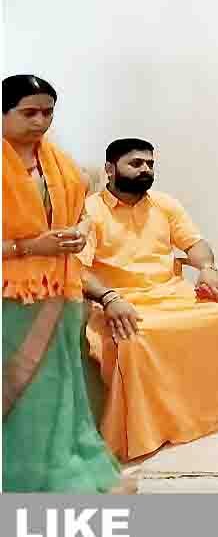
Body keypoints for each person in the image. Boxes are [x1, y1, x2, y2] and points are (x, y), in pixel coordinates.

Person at [77, 138, 218, 462]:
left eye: (149, 164)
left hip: (170, 293)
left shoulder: (164, 204)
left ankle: (195, 414)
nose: (145, 170)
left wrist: (207, 268)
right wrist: (109, 298)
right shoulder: (90, 211)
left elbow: (195, 244)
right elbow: (77, 268)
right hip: (121, 300)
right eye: (136, 163)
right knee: (135, 335)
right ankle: (145, 429)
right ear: (110, 169)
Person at [2, 74, 119, 492]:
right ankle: (21, 475)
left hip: (61, 291)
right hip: (12, 298)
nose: (40, 121)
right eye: (28, 112)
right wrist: (29, 247)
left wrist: (80, 232)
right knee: (26, 388)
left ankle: (60, 468)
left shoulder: (63, 166)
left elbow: (83, 214)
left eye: (47, 112)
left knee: (61, 389)